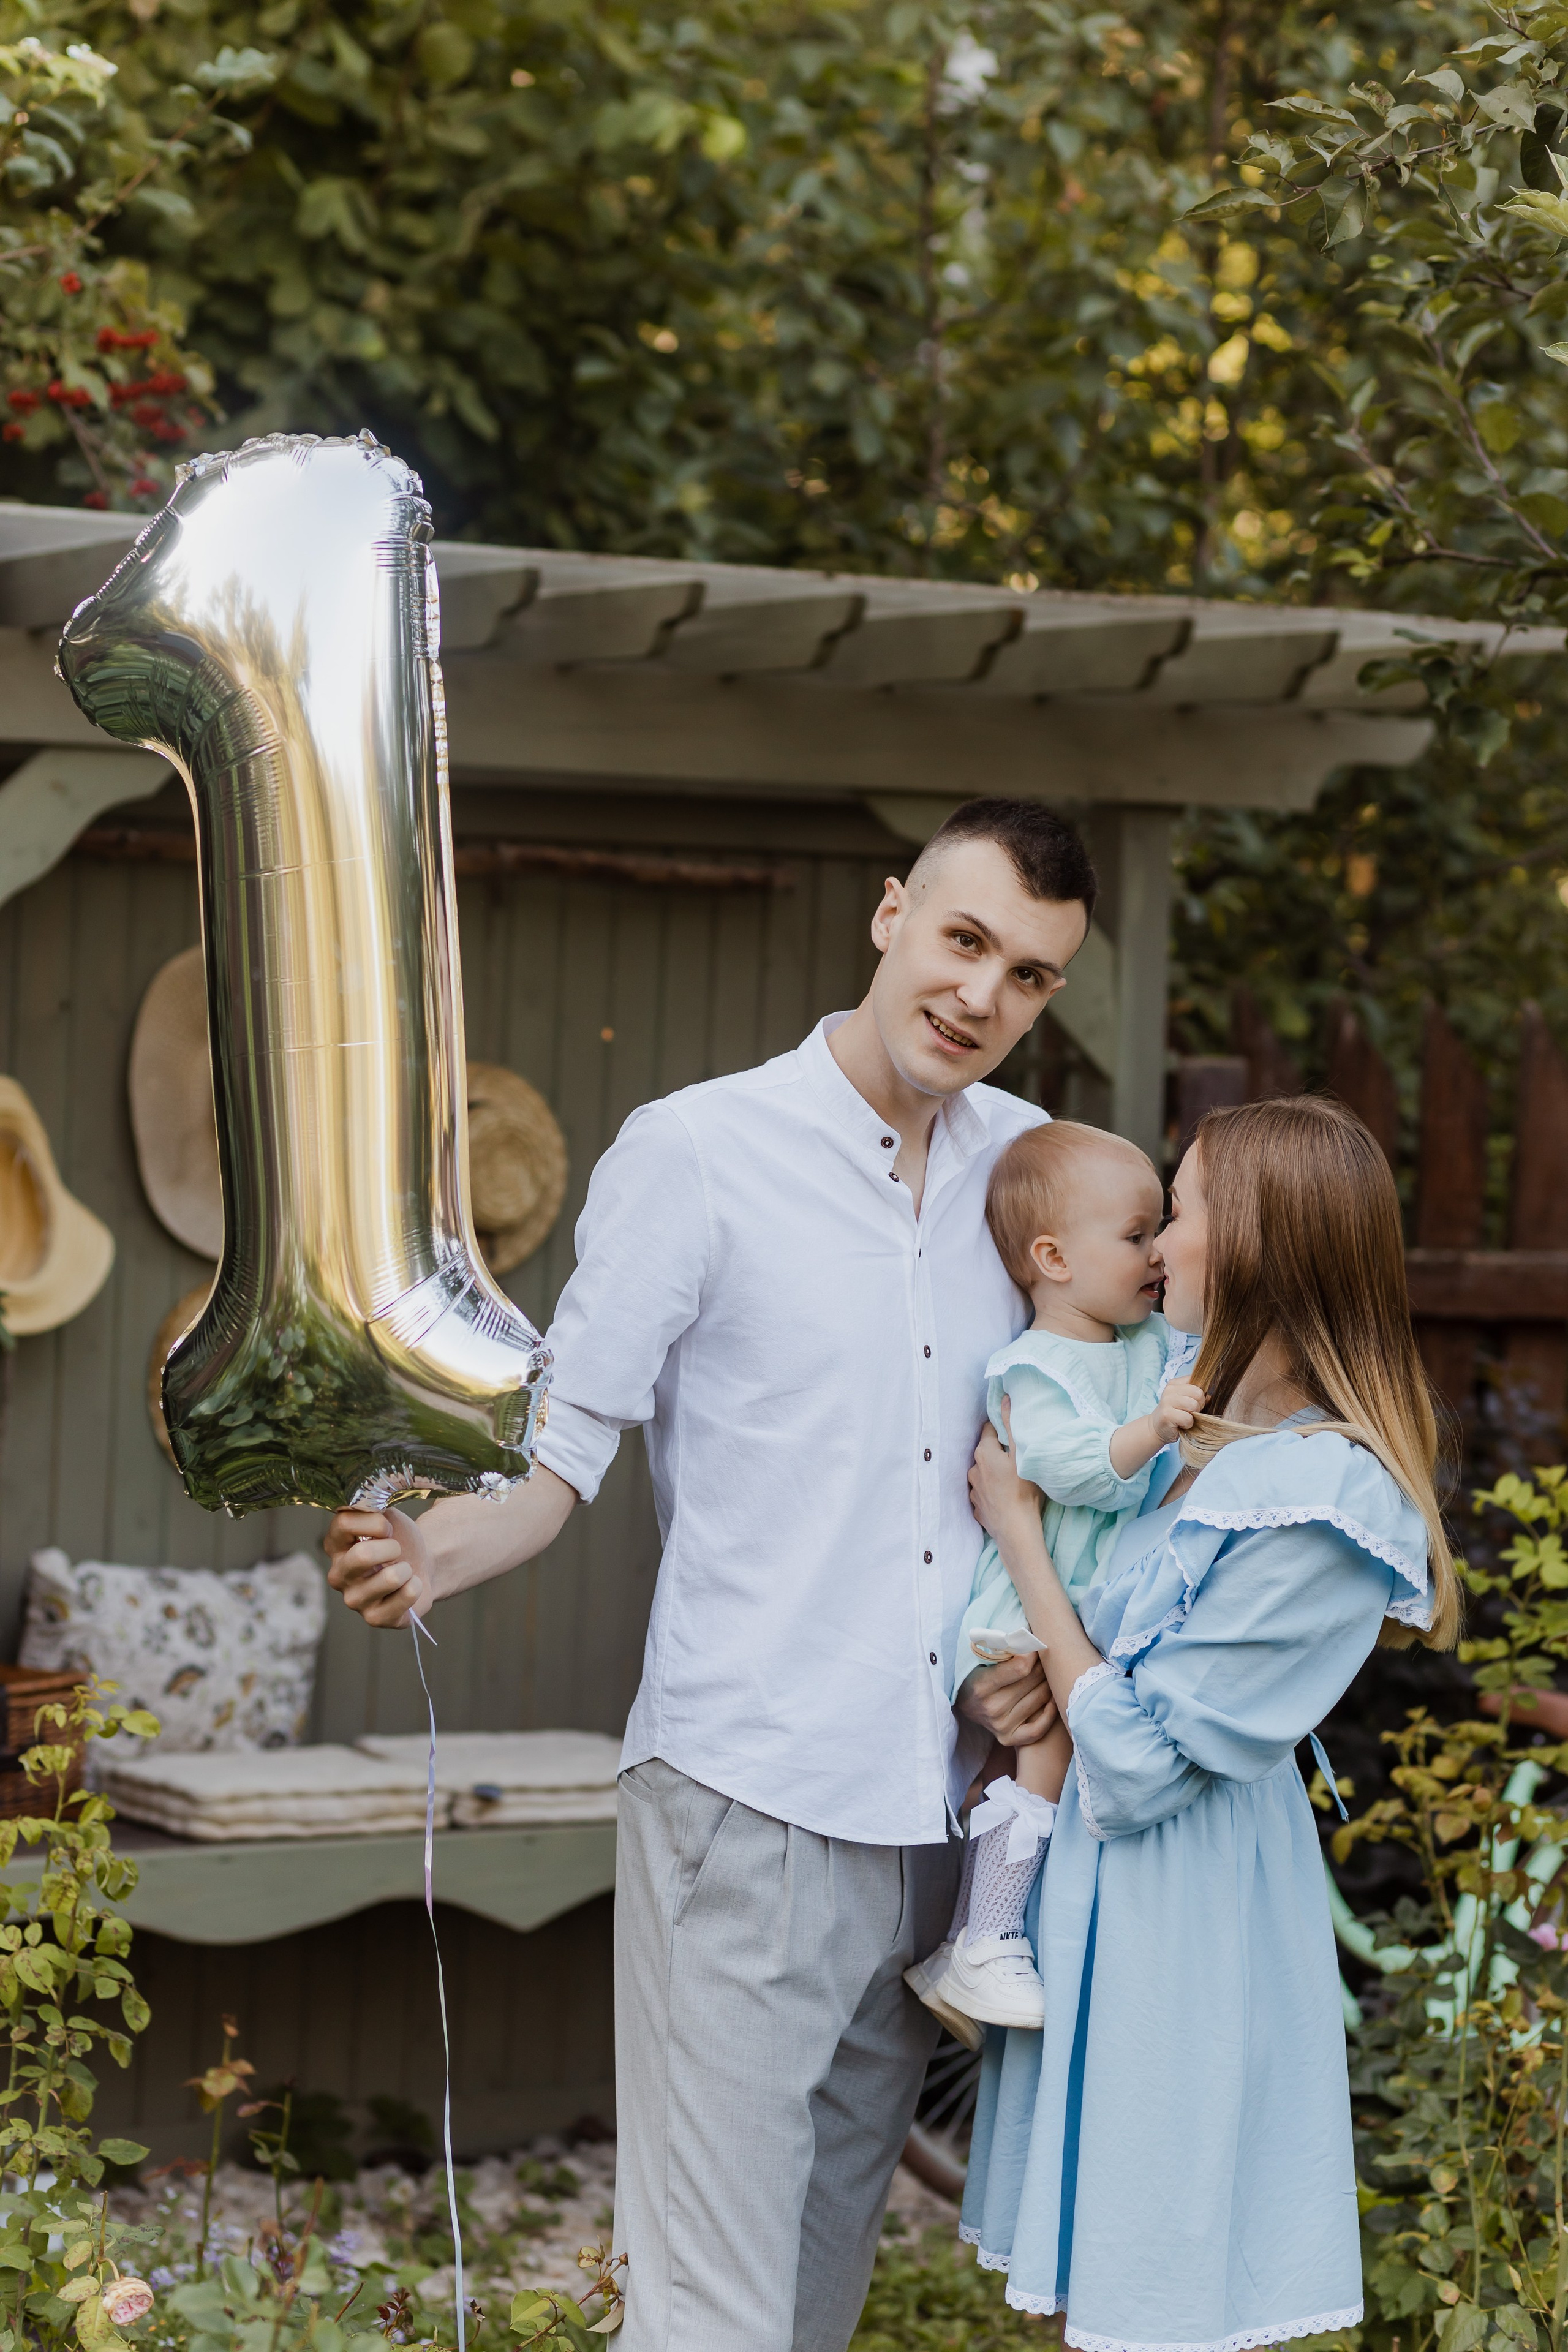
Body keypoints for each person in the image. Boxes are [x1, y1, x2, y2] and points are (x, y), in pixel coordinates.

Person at [323, 796, 1098, 2352]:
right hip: (746, 1801)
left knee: (814, 2300)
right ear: (888, 915)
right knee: (709, 2317)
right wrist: (430, 1550)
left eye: (1026, 975)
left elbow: (1109, 1429)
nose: (980, 997)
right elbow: (560, 1454)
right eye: (961, 941)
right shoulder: (696, 1150)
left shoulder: (1040, 1181)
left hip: (943, 1825)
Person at [960, 1095, 1460, 2352]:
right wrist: (1022, 1678)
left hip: (1181, 1920)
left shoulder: (1323, 1499)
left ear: (1251, 1244)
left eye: (1174, 1214)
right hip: (1097, 1895)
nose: (1158, 1245)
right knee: (1082, 2293)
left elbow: (1133, 1762)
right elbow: (1088, 1679)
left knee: (1157, 2290)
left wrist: (1019, 1542)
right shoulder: (1191, 1441)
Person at [907, 1121, 1204, 2040]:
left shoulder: (1146, 1340)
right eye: (1135, 1235)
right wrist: (1156, 1429)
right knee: (1049, 1754)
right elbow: (1071, 1467)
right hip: (1024, 1610)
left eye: (1163, 1230)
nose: (1157, 1254)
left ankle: (955, 1945)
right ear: (1053, 1259)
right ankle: (988, 1937)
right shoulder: (1034, 1365)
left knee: (1038, 1762)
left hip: (1077, 1596)